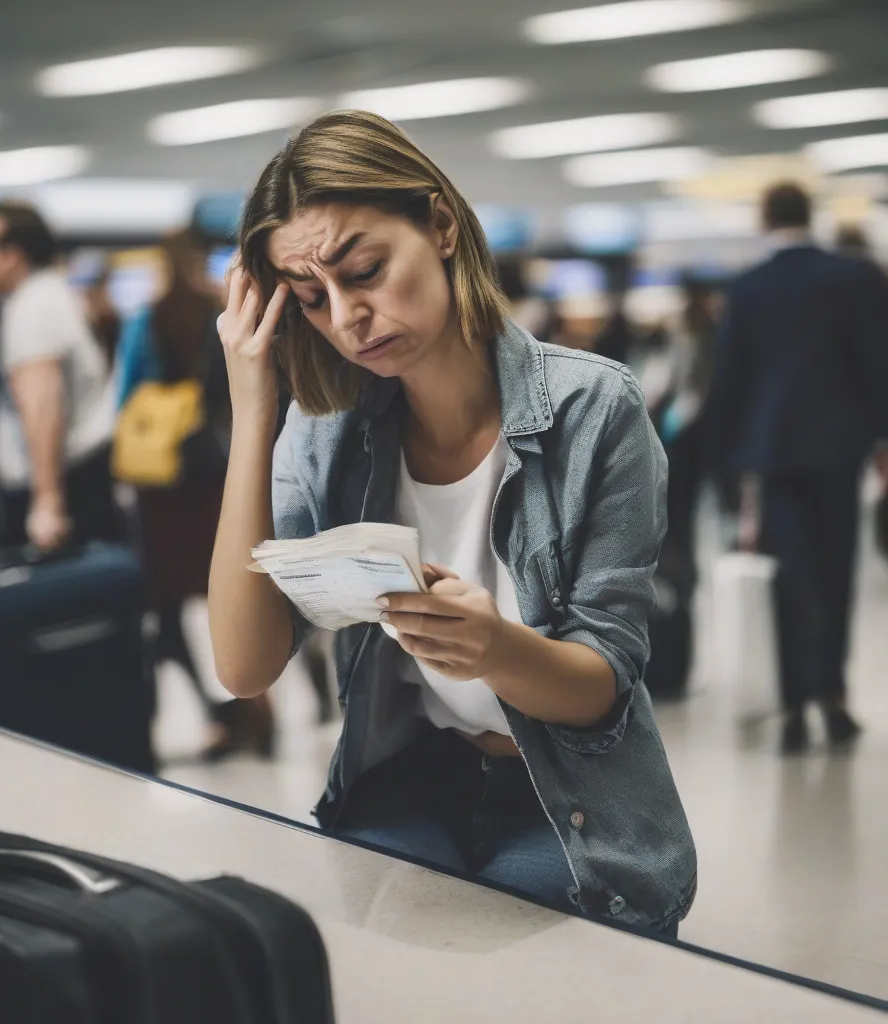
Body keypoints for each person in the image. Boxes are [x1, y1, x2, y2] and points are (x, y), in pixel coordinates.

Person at [209, 111, 696, 932]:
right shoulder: (328, 431)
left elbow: (603, 687)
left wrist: (494, 648)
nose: (346, 317)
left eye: (363, 271)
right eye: (309, 299)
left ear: (439, 224)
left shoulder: (592, 408)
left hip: (569, 801)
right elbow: (244, 665)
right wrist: (254, 410)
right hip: (410, 780)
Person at [709, 183, 888, 753]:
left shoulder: (748, 287)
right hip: (839, 450)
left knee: (787, 575)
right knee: (836, 569)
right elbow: (877, 365)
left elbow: (729, 383)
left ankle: (790, 703)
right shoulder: (856, 279)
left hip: (773, 455)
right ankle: (832, 695)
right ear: (810, 216)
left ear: (765, 217)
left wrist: (728, 467)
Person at [115, 227, 274, 761]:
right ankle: (257, 708)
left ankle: (215, 710)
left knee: (163, 603)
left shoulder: (147, 318)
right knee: (231, 592)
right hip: (213, 472)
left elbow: (128, 391)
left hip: (161, 481)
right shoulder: (218, 317)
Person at [0, 200, 116, 550]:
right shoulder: (50, 294)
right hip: (80, 477)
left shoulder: (33, 307)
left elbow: (43, 407)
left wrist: (46, 502)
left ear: (14, 255)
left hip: (68, 484)